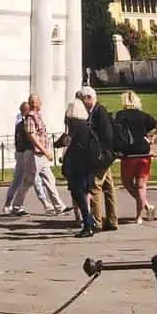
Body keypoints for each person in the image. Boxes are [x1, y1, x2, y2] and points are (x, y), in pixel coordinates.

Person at [8, 93, 65, 214]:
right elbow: (32, 136)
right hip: (34, 154)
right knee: (27, 181)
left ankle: (59, 206)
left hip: (41, 155)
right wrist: (45, 151)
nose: (42, 103)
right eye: (39, 101)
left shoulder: (37, 115)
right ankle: (17, 207)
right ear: (35, 103)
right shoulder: (30, 117)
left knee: (50, 179)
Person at [114, 91, 157, 223]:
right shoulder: (142, 115)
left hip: (129, 153)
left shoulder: (120, 115)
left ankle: (146, 206)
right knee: (142, 185)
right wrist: (152, 138)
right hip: (144, 152)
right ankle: (139, 216)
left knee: (127, 182)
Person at [61, 94, 98, 236]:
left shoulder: (74, 125)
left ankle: (87, 223)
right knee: (84, 192)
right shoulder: (86, 125)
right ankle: (90, 222)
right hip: (86, 163)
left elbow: (68, 141)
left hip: (76, 164)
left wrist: (61, 142)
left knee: (78, 194)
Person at [82, 87, 118, 231]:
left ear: (89, 98)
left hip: (102, 156)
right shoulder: (97, 111)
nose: (83, 104)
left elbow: (106, 135)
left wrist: (101, 153)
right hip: (106, 155)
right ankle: (112, 220)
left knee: (95, 188)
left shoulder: (99, 112)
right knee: (109, 188)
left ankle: (97, 222)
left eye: (83, 100)